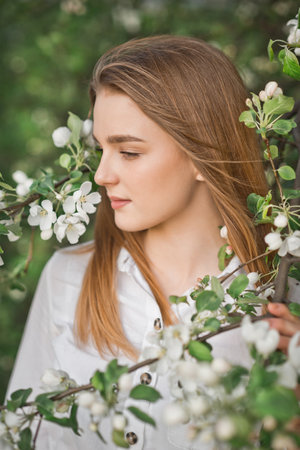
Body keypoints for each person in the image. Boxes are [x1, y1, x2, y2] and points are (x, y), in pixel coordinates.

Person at [6, 35, 300, 449]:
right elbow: (19, 436)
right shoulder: (69, 279)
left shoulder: (278, 302)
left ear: (203, 154)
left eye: (128, 152)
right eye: (101, 149)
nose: (101, 175)